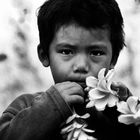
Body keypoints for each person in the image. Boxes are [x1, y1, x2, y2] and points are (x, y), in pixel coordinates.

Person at [0, 0, 139, 139]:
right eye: (66, 51)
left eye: (96, 53)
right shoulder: (25, 105)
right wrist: (52, 105)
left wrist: (126, 108)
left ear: (113, 59)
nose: (81, 66)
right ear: (44, 55)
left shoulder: (119, 107)